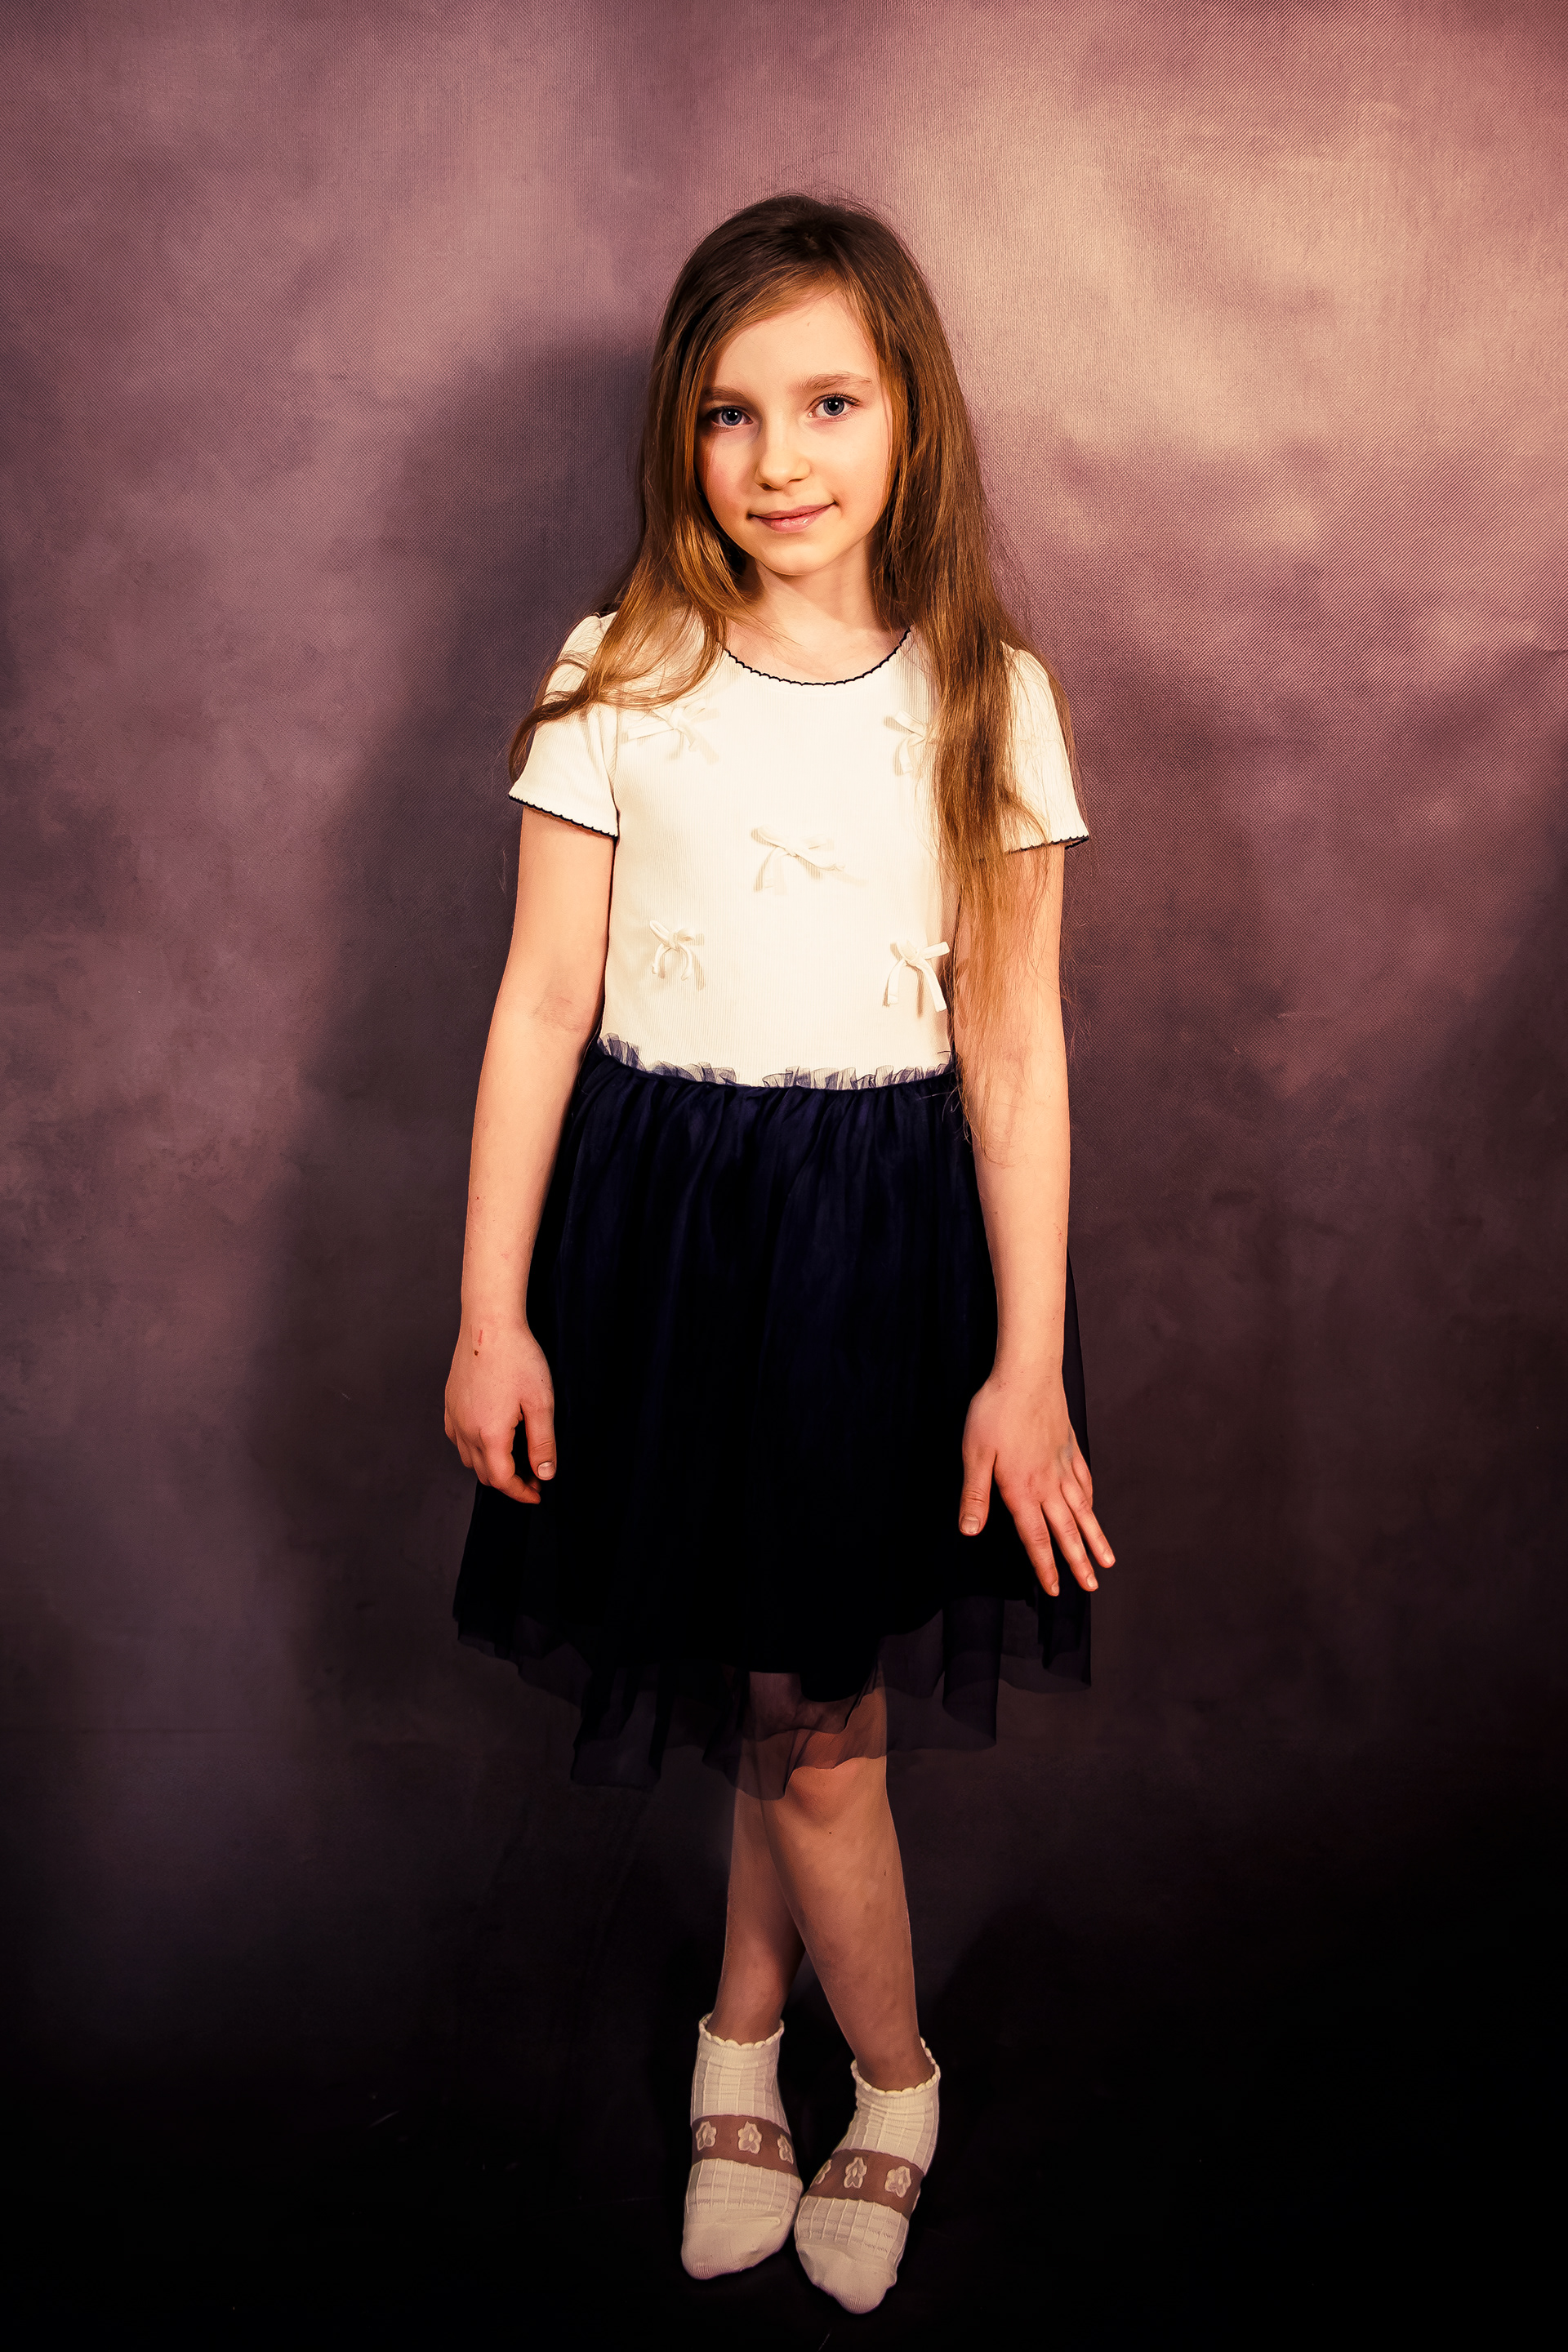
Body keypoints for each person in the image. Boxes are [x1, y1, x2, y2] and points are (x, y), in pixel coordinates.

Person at [444, 194, 1113, 2317]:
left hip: (869, 1244)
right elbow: (541, 1002)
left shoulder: (989, 698)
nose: (778, 458)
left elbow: (1015, 1048)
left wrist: (1026, 1365)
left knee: (812, 1710)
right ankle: (749, 2038)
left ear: (911, 415)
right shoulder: (618, 673)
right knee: (774, 1669)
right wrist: (490, 1311)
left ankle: (889, 2082)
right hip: (663, 1235)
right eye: (730, 412)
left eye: (829, 402)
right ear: (682, 432)